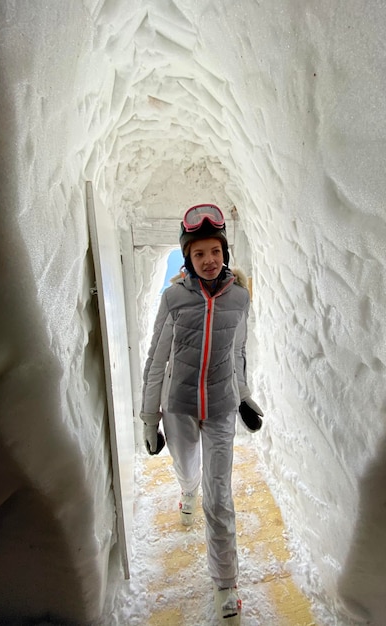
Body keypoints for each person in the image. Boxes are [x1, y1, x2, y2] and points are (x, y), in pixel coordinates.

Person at [140, 203, 263, 625]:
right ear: (188, 258)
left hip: (223, 408)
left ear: (224, 252)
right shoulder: (174, 298)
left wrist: (244, 397)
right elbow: (157, 359)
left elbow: (238, 354)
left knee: (220, 497)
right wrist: (147, 417)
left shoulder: (240, 298)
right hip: (179, 407)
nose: (209, 260)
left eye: (215, 251)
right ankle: (186, 490)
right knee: (188, 470)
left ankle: (225, 584)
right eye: (199, 254)